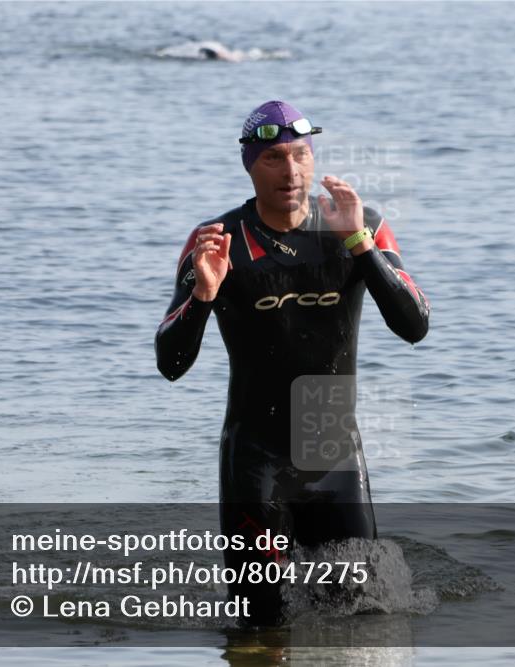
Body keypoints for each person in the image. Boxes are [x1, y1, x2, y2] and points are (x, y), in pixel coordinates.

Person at [154, 100, 430, 626]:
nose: (291, 171)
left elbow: (414, 325)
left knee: (364, 622)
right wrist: (203, 296)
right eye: (274, 159)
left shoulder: (359, 223)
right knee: (259, 627)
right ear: (250, 165)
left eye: (300, 156)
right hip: (256, 459)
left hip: (332, 451)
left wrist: (359, 246)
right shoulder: (216, 240)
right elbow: (170, 362)